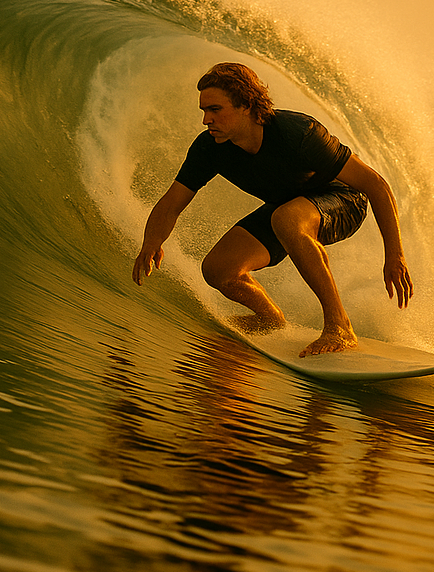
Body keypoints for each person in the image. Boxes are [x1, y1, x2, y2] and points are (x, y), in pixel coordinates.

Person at [132, 63, 413, 357]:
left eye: (215, 109)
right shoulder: (210, 148)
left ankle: (339, 326)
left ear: (246, 105)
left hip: (342, 200)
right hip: (288, 210)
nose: (206, 120)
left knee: (287, 218)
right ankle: (269, 318)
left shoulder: (299, 133)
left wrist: (395, 256)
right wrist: (152, 242)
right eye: (204, 110)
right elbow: (171, 203)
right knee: (219, 269)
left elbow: (376, 185)